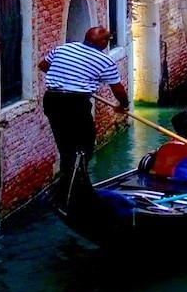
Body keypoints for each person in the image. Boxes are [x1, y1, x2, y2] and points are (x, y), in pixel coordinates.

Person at [38, 26, 128, 209]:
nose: (107, 43)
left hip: (53, 100)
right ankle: (75, 189)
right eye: (107, 40)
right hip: (76, 104)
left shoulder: (64, 48)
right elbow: (118, 89)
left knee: (65, 145)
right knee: (85, 145)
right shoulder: (104, 60)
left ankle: (68, 187)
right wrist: (123, 106)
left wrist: (66, 78)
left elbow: (43, 66)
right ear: (102, 42)